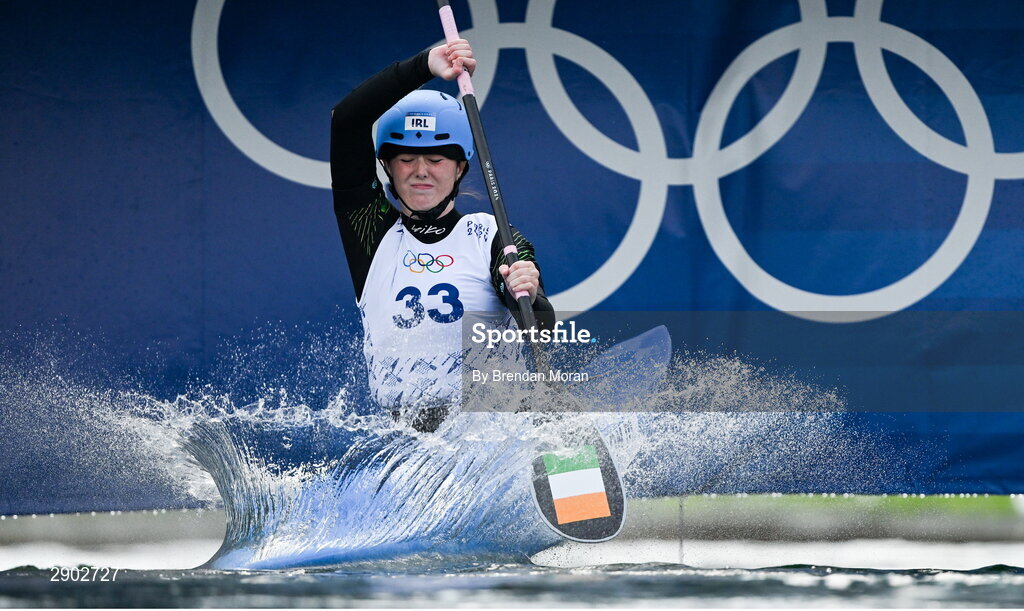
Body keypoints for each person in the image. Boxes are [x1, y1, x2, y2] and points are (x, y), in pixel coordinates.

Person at [331, 40, 555, 433]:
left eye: (436, 159)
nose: (421, 171)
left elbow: (542, 325)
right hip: (413, 450)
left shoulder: (491, 234)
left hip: (497, 435)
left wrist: (526, 292)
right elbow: (346, 121)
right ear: (387, 167)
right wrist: (424, 66)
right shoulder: (371, 233)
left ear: (460, 168)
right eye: (405, 159)